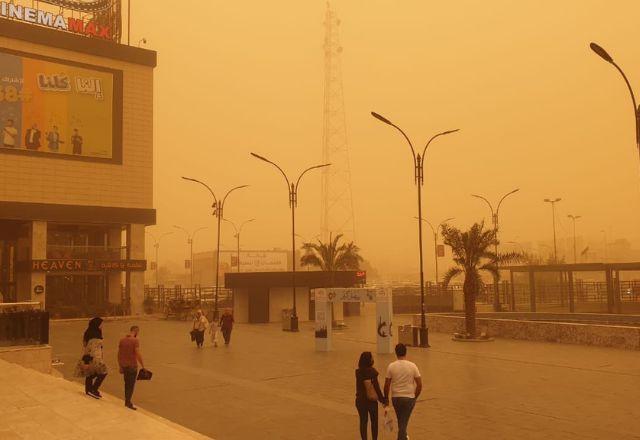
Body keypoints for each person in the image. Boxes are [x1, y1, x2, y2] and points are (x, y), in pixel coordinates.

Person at [384, 343, 422, 440]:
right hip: (409, 398)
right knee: (403, 423)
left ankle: (403, 437)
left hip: (396, 398)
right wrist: (414, 397)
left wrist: (386, 400)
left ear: (396, 353)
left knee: (401, 421)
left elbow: (387, 385)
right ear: (406, 352)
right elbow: (419, 384)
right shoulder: (413, 366)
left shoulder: (391, 366)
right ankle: (403, 437)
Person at [74, 317, 108, 399]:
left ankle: (89, 390)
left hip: (91, 357)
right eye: (101, 324)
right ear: (97, 324)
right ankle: (93, 389)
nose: (102, 325)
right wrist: (87, 360)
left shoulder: (89, 332)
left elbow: (85, 347)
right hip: (94, 358)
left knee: (90, 373)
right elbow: (89, 349)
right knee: (103, 372)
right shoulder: (95, 335)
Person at [355, 351, 386, 440]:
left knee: (363, 422)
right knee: (374, 422)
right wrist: (383, 400)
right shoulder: (372, 372)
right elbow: (377, 388)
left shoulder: (358, 372)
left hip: (360, 400)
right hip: (371, 401)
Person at [118, 325, 145, 410]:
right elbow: (137, 353)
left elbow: (119, 354)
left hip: (124, 366)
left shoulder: (122, 340)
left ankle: (127, 400)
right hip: (132, 366)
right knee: (131, 385)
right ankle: (128, 402)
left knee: (126, 384)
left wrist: (120, 366)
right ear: (136, 331)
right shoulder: (135, 340)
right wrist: (143, 365)